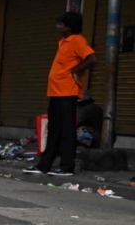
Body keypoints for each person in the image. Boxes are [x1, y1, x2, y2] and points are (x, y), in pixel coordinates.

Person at [24, 12, 97, 176]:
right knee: (54, 130)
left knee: (67, 130)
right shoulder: (63, 43)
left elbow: (92, 59)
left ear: (69, 27)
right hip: (56, 92)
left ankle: (66, 166)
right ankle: (44, 165)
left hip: (67, 91)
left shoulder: (77, 40)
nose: (57, 27)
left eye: (60, 24)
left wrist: (75, 71)